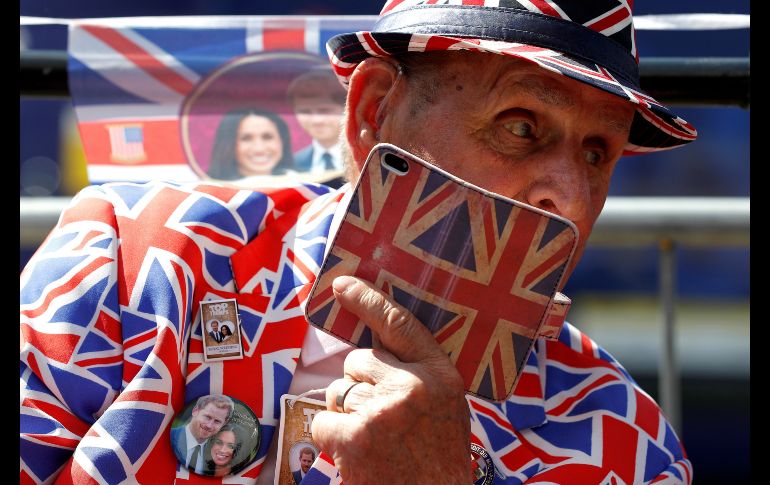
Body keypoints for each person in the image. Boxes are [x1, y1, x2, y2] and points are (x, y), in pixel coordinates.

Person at [20, 1, 699, 484]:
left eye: (595, 153)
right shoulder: (135, 257)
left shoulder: (622, 436)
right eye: (520, 126)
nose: (569, 198)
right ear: (375, 113)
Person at [206, 107, 294, 180]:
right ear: (227, 145)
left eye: (267, 137)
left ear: (282, 141)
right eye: (246, 139)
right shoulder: (209, 193)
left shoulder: (302, 185)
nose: (259, 149)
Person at [286, 68, 346, 174]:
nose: (317, 120)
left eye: (325, 110)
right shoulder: (291, 165)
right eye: (305, 112)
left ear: (345, 109)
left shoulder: (365, 158)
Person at [170, 395, 234, 474]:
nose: (209, 425)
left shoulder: (215, 455)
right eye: (207, 417)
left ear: (224, 423)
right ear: (195, 411)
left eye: (217, 421)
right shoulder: (170, 437)